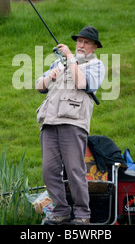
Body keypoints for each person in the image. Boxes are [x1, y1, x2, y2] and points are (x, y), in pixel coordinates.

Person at [35, 25, 105, 225]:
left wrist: (71, 59)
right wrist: (51, 76)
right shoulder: (59, 62)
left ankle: (83, 215)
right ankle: (61, 211)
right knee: (49, 171)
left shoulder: (96, 65)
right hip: (49, 122)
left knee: (75, 170)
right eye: (79, 41)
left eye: (86, 42)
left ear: (94, 47)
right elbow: (39, 86)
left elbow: (82, 83)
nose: (81, 45)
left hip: (73, 122)